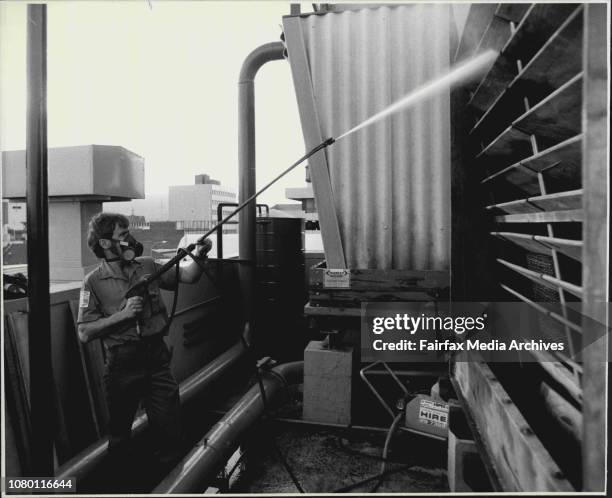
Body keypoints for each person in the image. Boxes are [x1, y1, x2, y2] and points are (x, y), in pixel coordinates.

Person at [77, 212, 212, 477]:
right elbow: (84, 332)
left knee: (170, 426)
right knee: (120, 434)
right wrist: (123, 315)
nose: (131, 239)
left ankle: (170, 483)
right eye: (123, 235)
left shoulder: (148, 266)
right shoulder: (91, 283)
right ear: (105, 244)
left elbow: (189, 276)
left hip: (156, 358)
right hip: (122, 364)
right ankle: (124, 484)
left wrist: (201, 253)